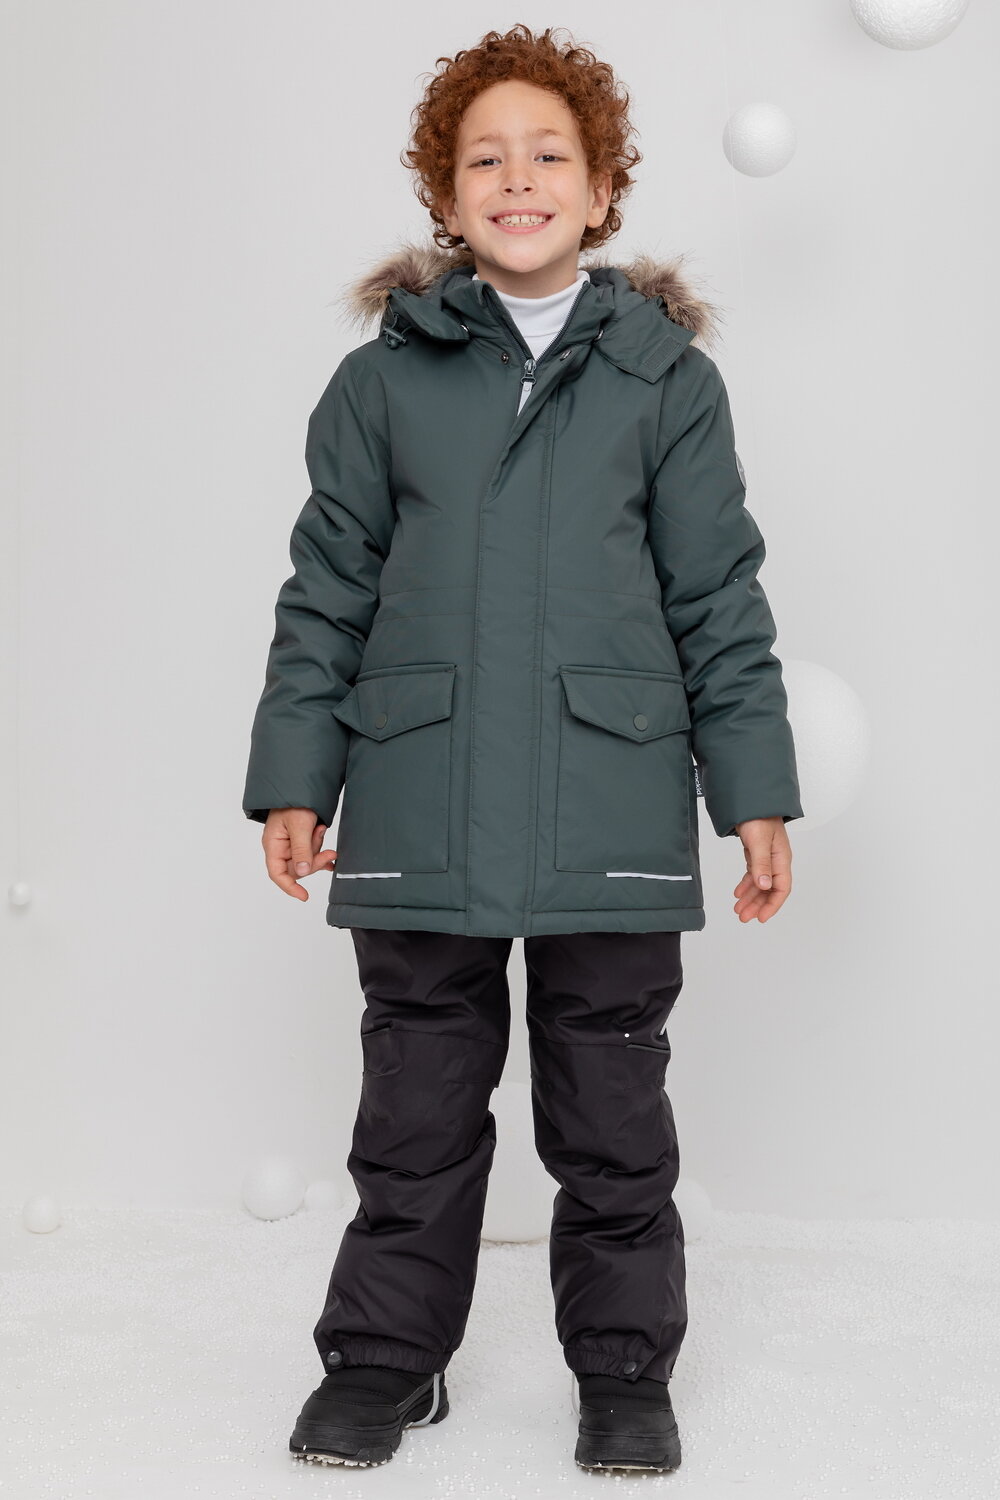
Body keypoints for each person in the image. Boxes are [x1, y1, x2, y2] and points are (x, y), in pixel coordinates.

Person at [242, 23, 803, 1474]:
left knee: (612, 1110)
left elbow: (718, 597)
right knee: (415, 1106)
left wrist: (753, 795)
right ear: (445, 195)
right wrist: (297, 774)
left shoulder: (665, 380)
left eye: (550, 154)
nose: (518, 178)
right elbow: (327, 589)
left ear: (603, 188)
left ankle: (622, 1367)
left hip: (608, 795)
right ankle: (385, 1359)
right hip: (420, 793)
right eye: (484, 158)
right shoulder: (382, 382)